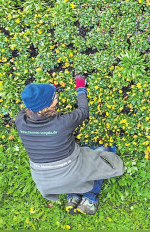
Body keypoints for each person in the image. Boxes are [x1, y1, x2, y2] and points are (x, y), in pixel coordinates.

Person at [15, 75, 124, 215]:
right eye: (54, 98)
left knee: (65, 174)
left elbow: (34, 103)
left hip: (44, 179)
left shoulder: (20, 121)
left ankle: (72, 197)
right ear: (49, 106)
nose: (56, 99)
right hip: (70, 170)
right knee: (104, 151)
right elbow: (83, 111)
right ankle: (90, 199)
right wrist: (80, 88)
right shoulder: (62, 123)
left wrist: (48, 90)